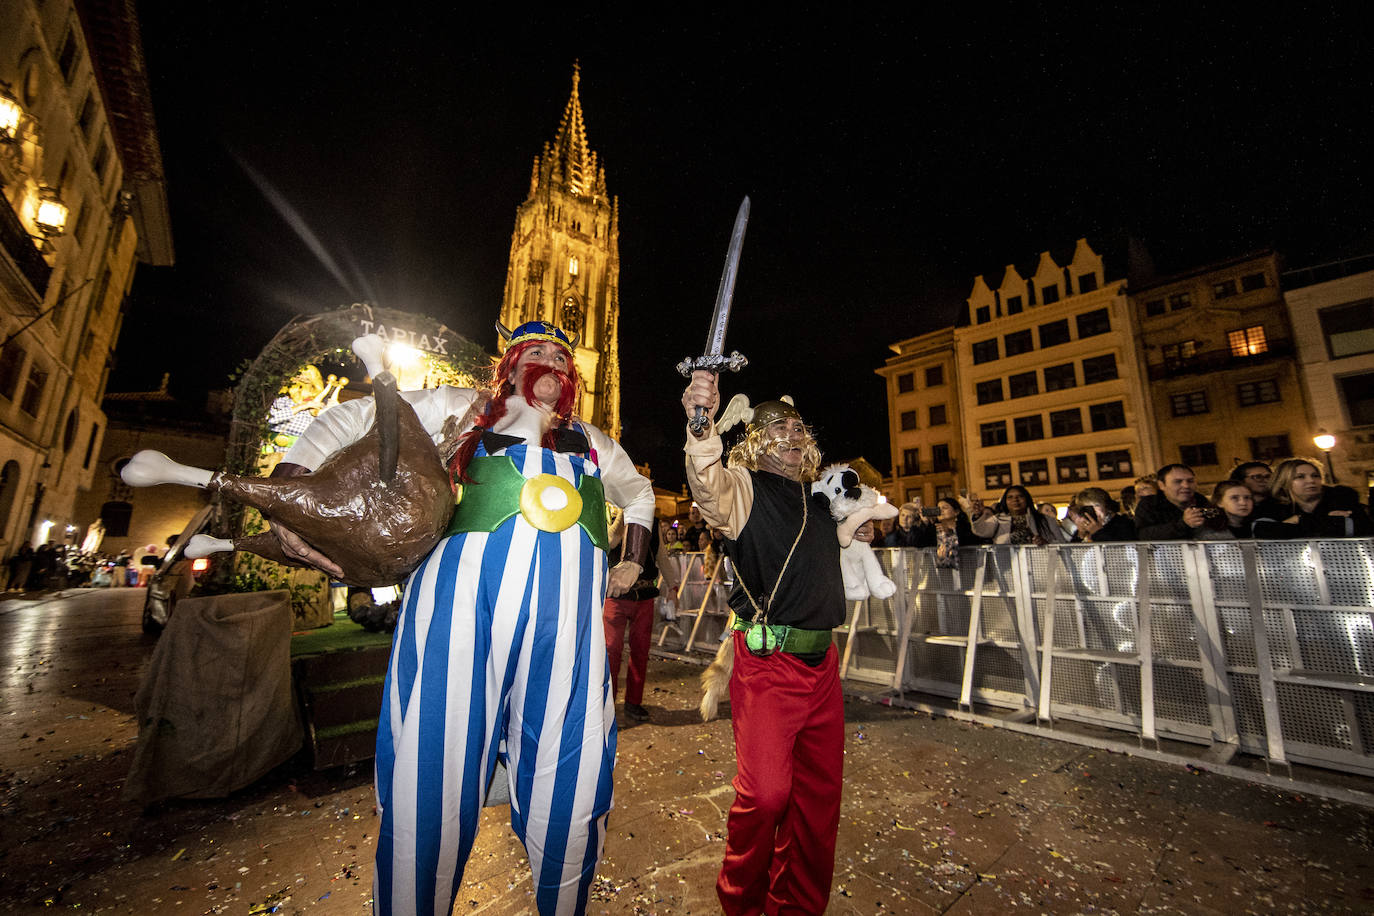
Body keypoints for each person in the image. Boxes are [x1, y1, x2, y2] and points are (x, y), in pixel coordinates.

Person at [273, 322, 654, 916]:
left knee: (574, 784)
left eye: (562, 354)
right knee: (432, 776)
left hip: (568, 635)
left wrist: (631, 563)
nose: (554, 359)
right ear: (511, 365)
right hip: (458, 616)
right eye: (537, 351)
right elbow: (356, 418)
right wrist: (290, 493)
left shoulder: (592, 440)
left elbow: (641, 496)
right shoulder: (468, 411)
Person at [682, 371, 874, 916]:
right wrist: (700, 424)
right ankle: (741, 904)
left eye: (798, 426)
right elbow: (707, 485)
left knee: (817, 802)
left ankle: (798, 907)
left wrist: (859, 528)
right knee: (766, 795)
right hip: (767, 665)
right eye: (779, 427)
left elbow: (850, 531)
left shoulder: (820, 499)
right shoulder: (743, 489)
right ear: (756, 438)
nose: (793, 433)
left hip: (823, 666)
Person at [603, 510, 660, 723]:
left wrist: (673, 585)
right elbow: (610, 541)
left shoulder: (653, 519)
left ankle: (633, 703)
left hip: (644, 594)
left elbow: (659, 552)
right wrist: (625, 513)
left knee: (641, 651)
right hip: (615, 595)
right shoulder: (606, 512)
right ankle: (607, 705)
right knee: (611, 653)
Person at [1252, 457, 1374, 539]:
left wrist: (1297, 521)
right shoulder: (1272, 505)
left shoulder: (1341, 498)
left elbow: (1355, 528)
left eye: (1315, 476)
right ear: (1284, 482)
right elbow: (1262, 531)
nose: (1311, 481)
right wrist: (1326, 522)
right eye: (1300, 477)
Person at [1133, 464, 1215, 540]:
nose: (1186, 486)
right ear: (1161, 485)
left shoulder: (1203, 502)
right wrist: (1183, 524)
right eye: (1178, 482)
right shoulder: (1150, 504)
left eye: (1190, 481)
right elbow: (1144, 535)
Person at [970, 485, 1067, 545]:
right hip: (1009, 569)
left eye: (1019, 496)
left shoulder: (1046, 520)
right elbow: (981, 531)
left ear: (1027, 499)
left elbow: (1062, 543)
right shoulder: (998, 520)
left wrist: (1046, 543)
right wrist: (978, 515)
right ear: (1005, 501)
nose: (1015, 500)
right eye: (1010, 497)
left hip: (1039, 567)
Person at [1068, 488, 1136, 542]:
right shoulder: (1086, 525)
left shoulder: (1123, 523)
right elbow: (1071, 554)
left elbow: (1122, 550)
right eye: (1088, 508)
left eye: (1096, 505)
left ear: (1106, 506)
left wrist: (1097, 532)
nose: (1094, 510)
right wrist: (1080, 534)